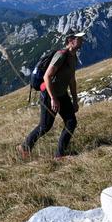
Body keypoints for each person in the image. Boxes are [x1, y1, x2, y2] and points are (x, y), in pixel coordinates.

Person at [17, 30, 85, 160]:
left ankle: (60, 155)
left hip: (62, 94)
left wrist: (75, 100)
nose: (82, 41)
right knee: (45, 126)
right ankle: (25, 147)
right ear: (71, 41)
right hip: (50, 95)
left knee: (71, 122)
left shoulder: (73, 57)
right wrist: (53, 98)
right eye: (79, 39)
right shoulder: (61, 55)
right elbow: (47, 76)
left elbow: (72, 80)